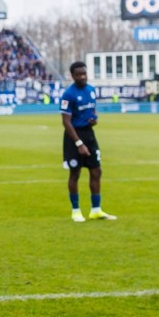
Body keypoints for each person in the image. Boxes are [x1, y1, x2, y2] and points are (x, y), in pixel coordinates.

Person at [60, 61, 116, 222]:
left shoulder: (91, 90)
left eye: (84, 73)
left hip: (89, 134)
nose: (83, 77)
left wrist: (94, 119)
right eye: (79, 74)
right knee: (75, 173)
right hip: (73, 137)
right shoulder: (68, 94)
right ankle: (76, 211)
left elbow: (93, 110)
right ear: (73, 76)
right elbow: (66, 121)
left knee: (96, 171)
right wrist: (79, 143)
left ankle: (96, 210)